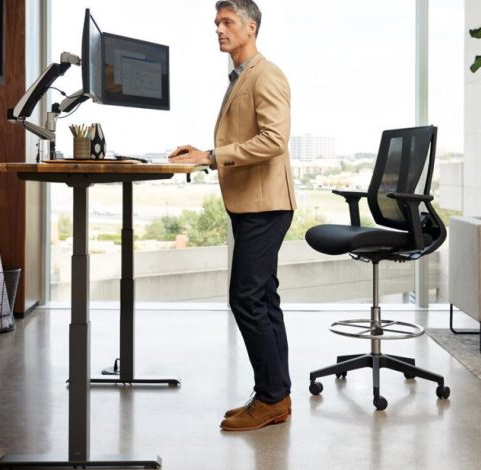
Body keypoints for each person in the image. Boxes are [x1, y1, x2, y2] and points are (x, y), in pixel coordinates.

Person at [168, 0, 297, 432]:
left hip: (266, 205)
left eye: (227, 22)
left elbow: (274, 140)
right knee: (263, 298)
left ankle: (271, 399)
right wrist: (204, 158)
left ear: (251, 26)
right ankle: (276, 395)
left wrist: (212, 155)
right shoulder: (240, 76)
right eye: (216, 23)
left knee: (246, 298)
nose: (219, 30)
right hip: (254, 203)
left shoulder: (266, 74)